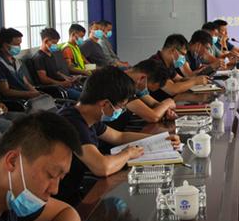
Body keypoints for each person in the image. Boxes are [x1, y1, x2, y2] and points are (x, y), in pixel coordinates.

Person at [56, 67, 180, 204]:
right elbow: (102, 167)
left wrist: (161, 138)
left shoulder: (86, 117)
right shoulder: (72, 122)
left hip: (77, 189)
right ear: (105, 104)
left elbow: (119, 136)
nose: (121, 111)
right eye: (121, 106)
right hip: (64, 199)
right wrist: (128, 154)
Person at [148, 34, 209, 102]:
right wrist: (195, 81)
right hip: (158, 104)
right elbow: (173, 89)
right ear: (173, 50)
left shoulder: (168, 62)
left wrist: (199, 79)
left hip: (170, 100)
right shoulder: (156, 64)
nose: (183, 58)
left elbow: (179, 79)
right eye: (182, 54)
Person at [0, 28, 43, 101]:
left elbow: (26, 83)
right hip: (17, 102)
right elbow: (6, 91)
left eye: (20, 44)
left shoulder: (17, 62)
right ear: (5, 45)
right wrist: (29, 94)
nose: (19, 47)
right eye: (16, 44)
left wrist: (37, 94)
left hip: (29, 98)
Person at [32, 28, 82, 101]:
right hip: (56, 89)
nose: (55, 45)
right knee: (84, 97)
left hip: (63, 86)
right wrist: (61, 83)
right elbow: (43, 79)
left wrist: (68, 78)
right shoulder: (39, 58)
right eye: (54, 43)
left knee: (88, 92)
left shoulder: (51, 55)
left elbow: (57, 72)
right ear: (45, 41)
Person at [122, 60, 177, 124]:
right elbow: (153, 117)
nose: (146, 91)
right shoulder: (121, 84)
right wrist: (168, 103)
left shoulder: (135, 80)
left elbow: (154, 103)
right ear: (142, 78)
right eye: (147, 88)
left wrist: (166, 110)